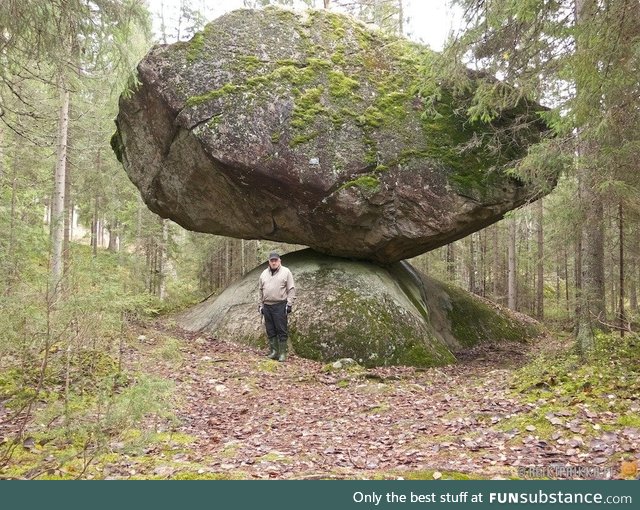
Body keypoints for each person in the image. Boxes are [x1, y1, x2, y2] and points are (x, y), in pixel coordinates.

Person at [258, 251, 296, 362]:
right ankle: (274, 352)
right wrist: (260, 305)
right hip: (267, 305)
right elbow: (260, 290)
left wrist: (289, 304)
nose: (274, 262)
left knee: (281, 329)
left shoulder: (286, 272)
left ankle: (283, 353)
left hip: (280, 305)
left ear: (280, 261)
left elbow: (291, 288)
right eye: (272, 260)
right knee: (270, 329)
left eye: (276, 260)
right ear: (269, 262)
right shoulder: (264, 273)